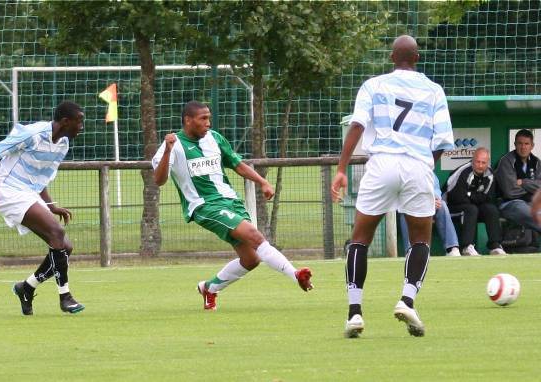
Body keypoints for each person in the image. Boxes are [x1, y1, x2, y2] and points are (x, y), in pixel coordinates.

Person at [331, 35, 454, 338]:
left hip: (381, 163)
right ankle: (407, 300)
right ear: (418, 58)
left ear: (391, 58)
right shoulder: (434, 90)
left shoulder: (373, 85)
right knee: (420, 240)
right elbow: (442, 141)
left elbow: (357, 125)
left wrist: (342, 168)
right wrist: (425, 164)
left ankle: (354, 313)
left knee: (360, 238)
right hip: (416, 165)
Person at [152, 100, 313, 311]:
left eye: (209, 118)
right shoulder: (173, 145)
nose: (208, 123)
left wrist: (262, 182)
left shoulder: (215, 139)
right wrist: (167, 152)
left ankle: (209, 288)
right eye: (203, 119)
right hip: (205, 206)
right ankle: (295, 275)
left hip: (231, 201)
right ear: (188, 120)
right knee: (255, 236)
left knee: (251, 259)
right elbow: (159, 179)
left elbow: (237, 165)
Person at [0, 100, 85, 316]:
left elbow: (40, 177)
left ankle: (26, 287)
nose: (81, 127)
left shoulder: (63, 144)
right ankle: (65, 297)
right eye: (79, 122)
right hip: (9, 191)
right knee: (57, 232)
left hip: (28, 193)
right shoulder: (32, 134)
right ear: (66, 121)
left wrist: (51, 205)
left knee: (65, 247)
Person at [445, 147, 506, 256]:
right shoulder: (463, 171)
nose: (480, 165)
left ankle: (495, 245)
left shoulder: (490, 174)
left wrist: (469, 195)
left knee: (491, 209)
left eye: (483, 162)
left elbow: (488, 198)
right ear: (472, 160)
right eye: (478, 162)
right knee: (471, 209)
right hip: (449, 208)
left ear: (487, 163)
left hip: (473, 208)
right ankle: (466, 246)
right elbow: (455, 197)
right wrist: (476, 197)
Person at [399, 174, 461, 257]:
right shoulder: (404, 173)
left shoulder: (428, 172)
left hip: (429, 207)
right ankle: (411, 250)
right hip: (410, 206)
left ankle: (451, 248)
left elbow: (436, 190)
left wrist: (435, 200)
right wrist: (426, 202)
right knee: (405, 211)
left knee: (442, 205)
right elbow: (403, 195)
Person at [495, 129, 541, 233]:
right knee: (530, 213)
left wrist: (523, 182)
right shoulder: (506, 161)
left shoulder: (537, 162)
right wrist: (533, 189)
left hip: (532, 203)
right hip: (510, 204)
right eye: (520, 143)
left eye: (526, 144)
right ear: (515, 144)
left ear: (532, 146)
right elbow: (510, 191)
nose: (523, 147)